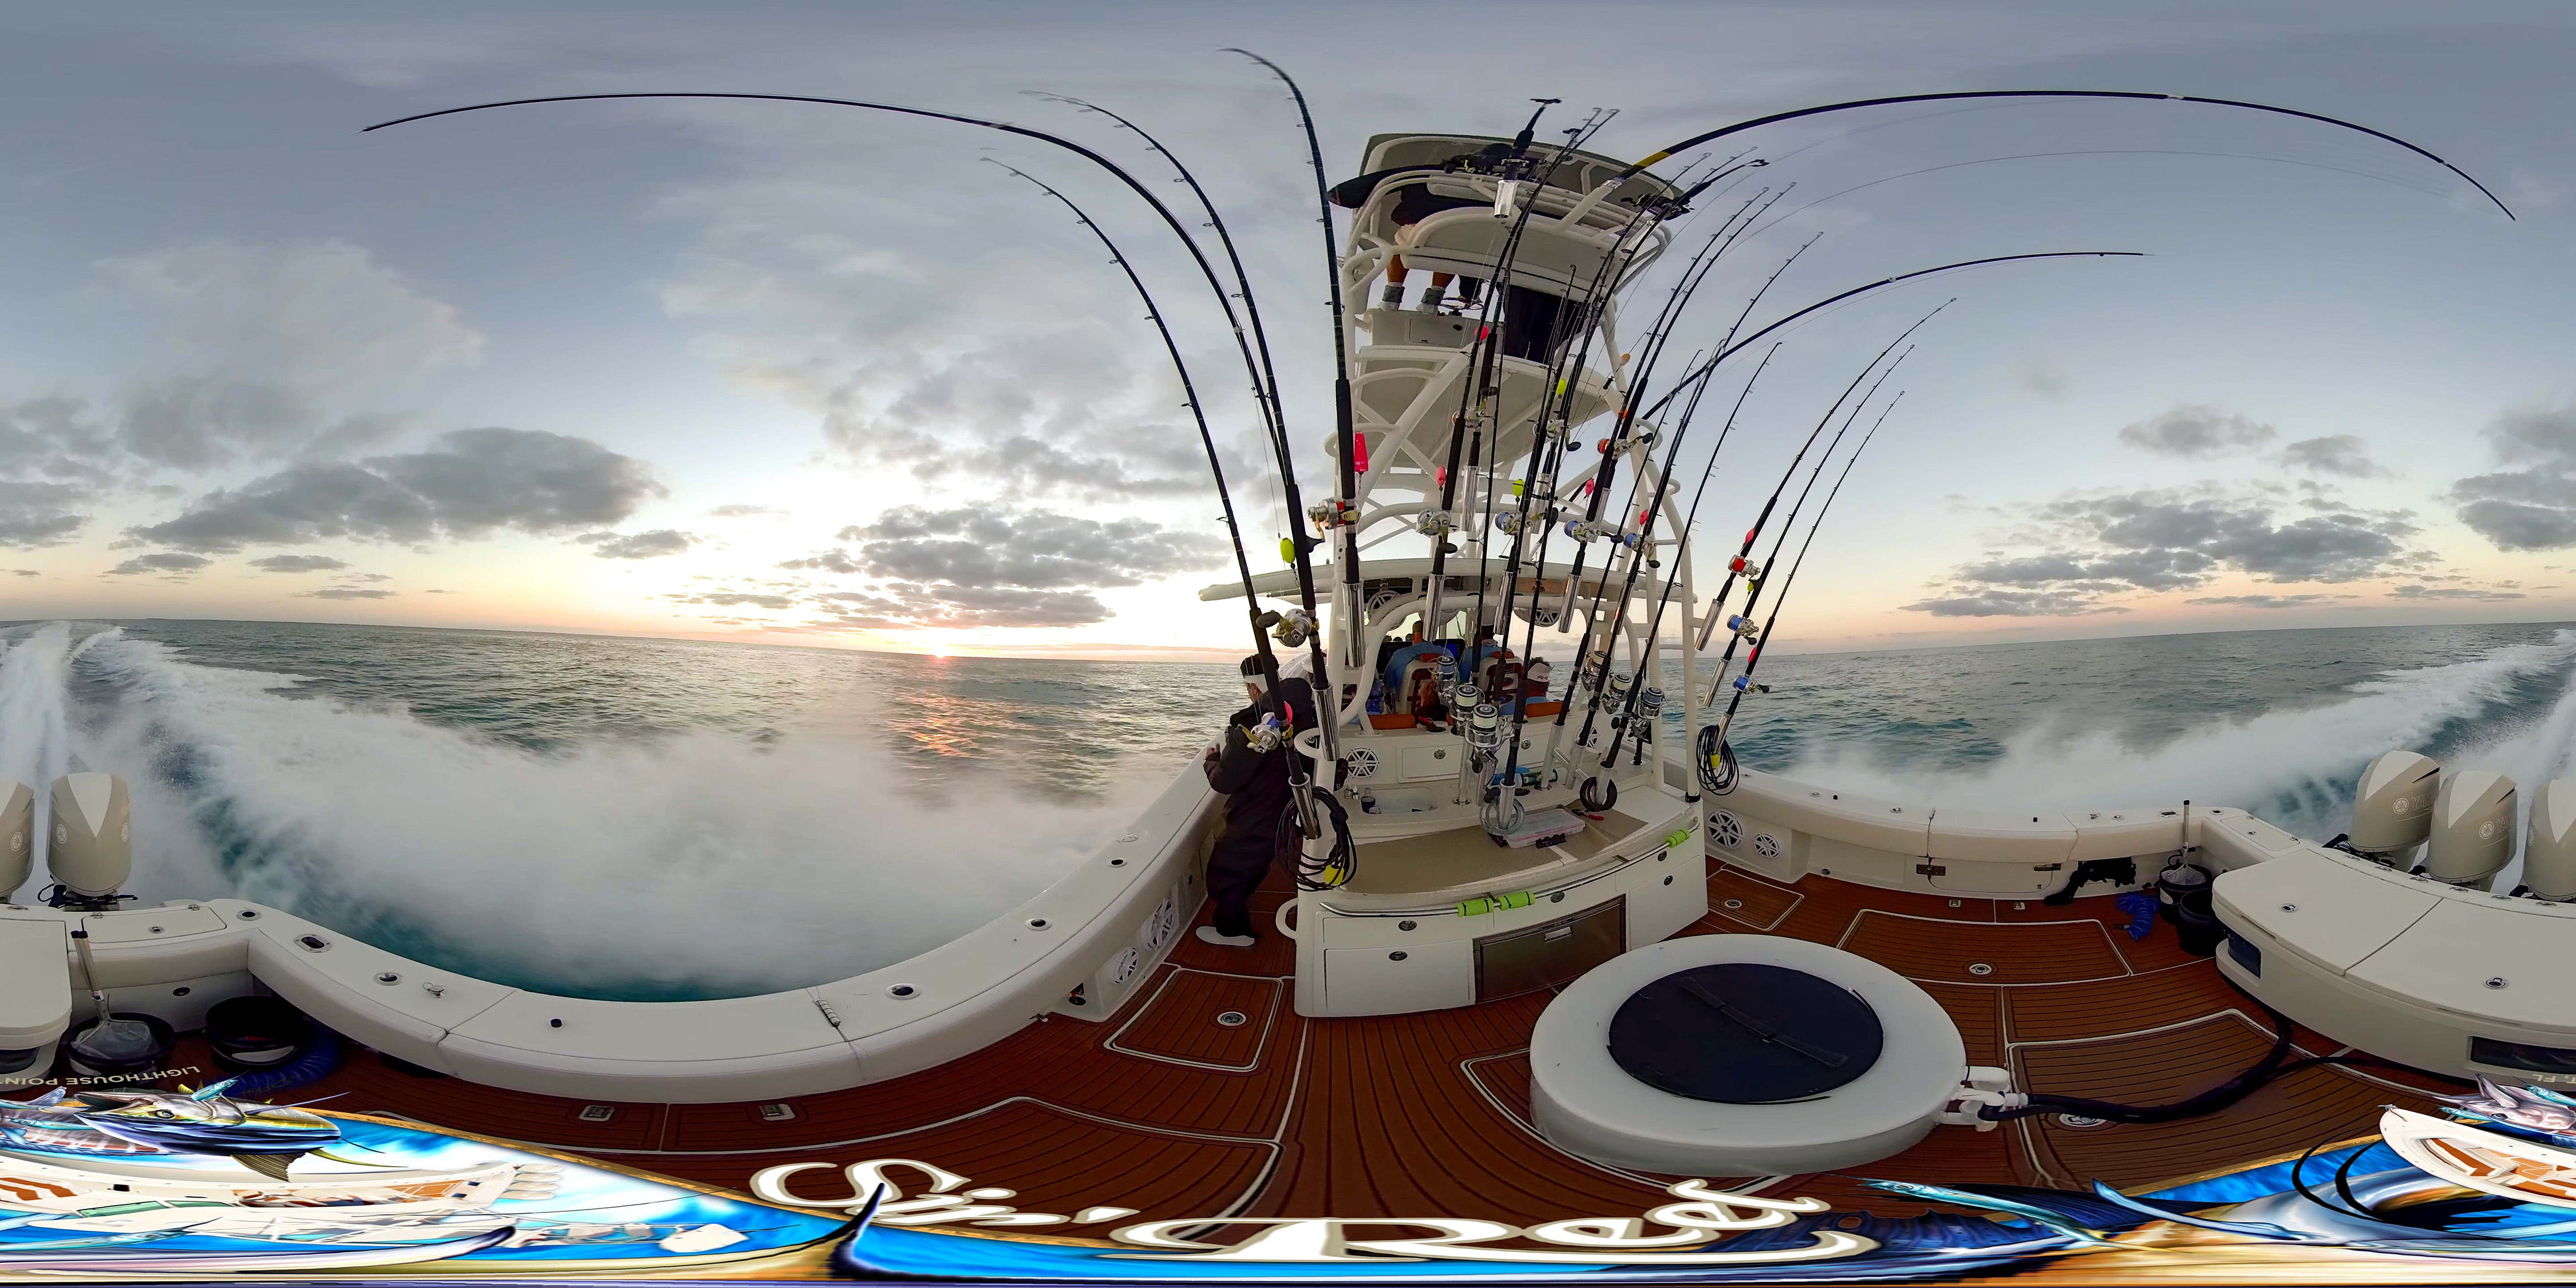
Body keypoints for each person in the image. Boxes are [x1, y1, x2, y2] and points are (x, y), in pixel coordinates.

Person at [1196, 652, 1317, 948]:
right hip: (1287, 810)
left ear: (1252, 688)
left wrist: (1211, 762)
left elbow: (1225, 781)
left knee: (1224, 873)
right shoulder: (1309, 709)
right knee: (1257, 861)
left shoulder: (1252, 727)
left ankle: (1234, 933)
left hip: (1256, 813)